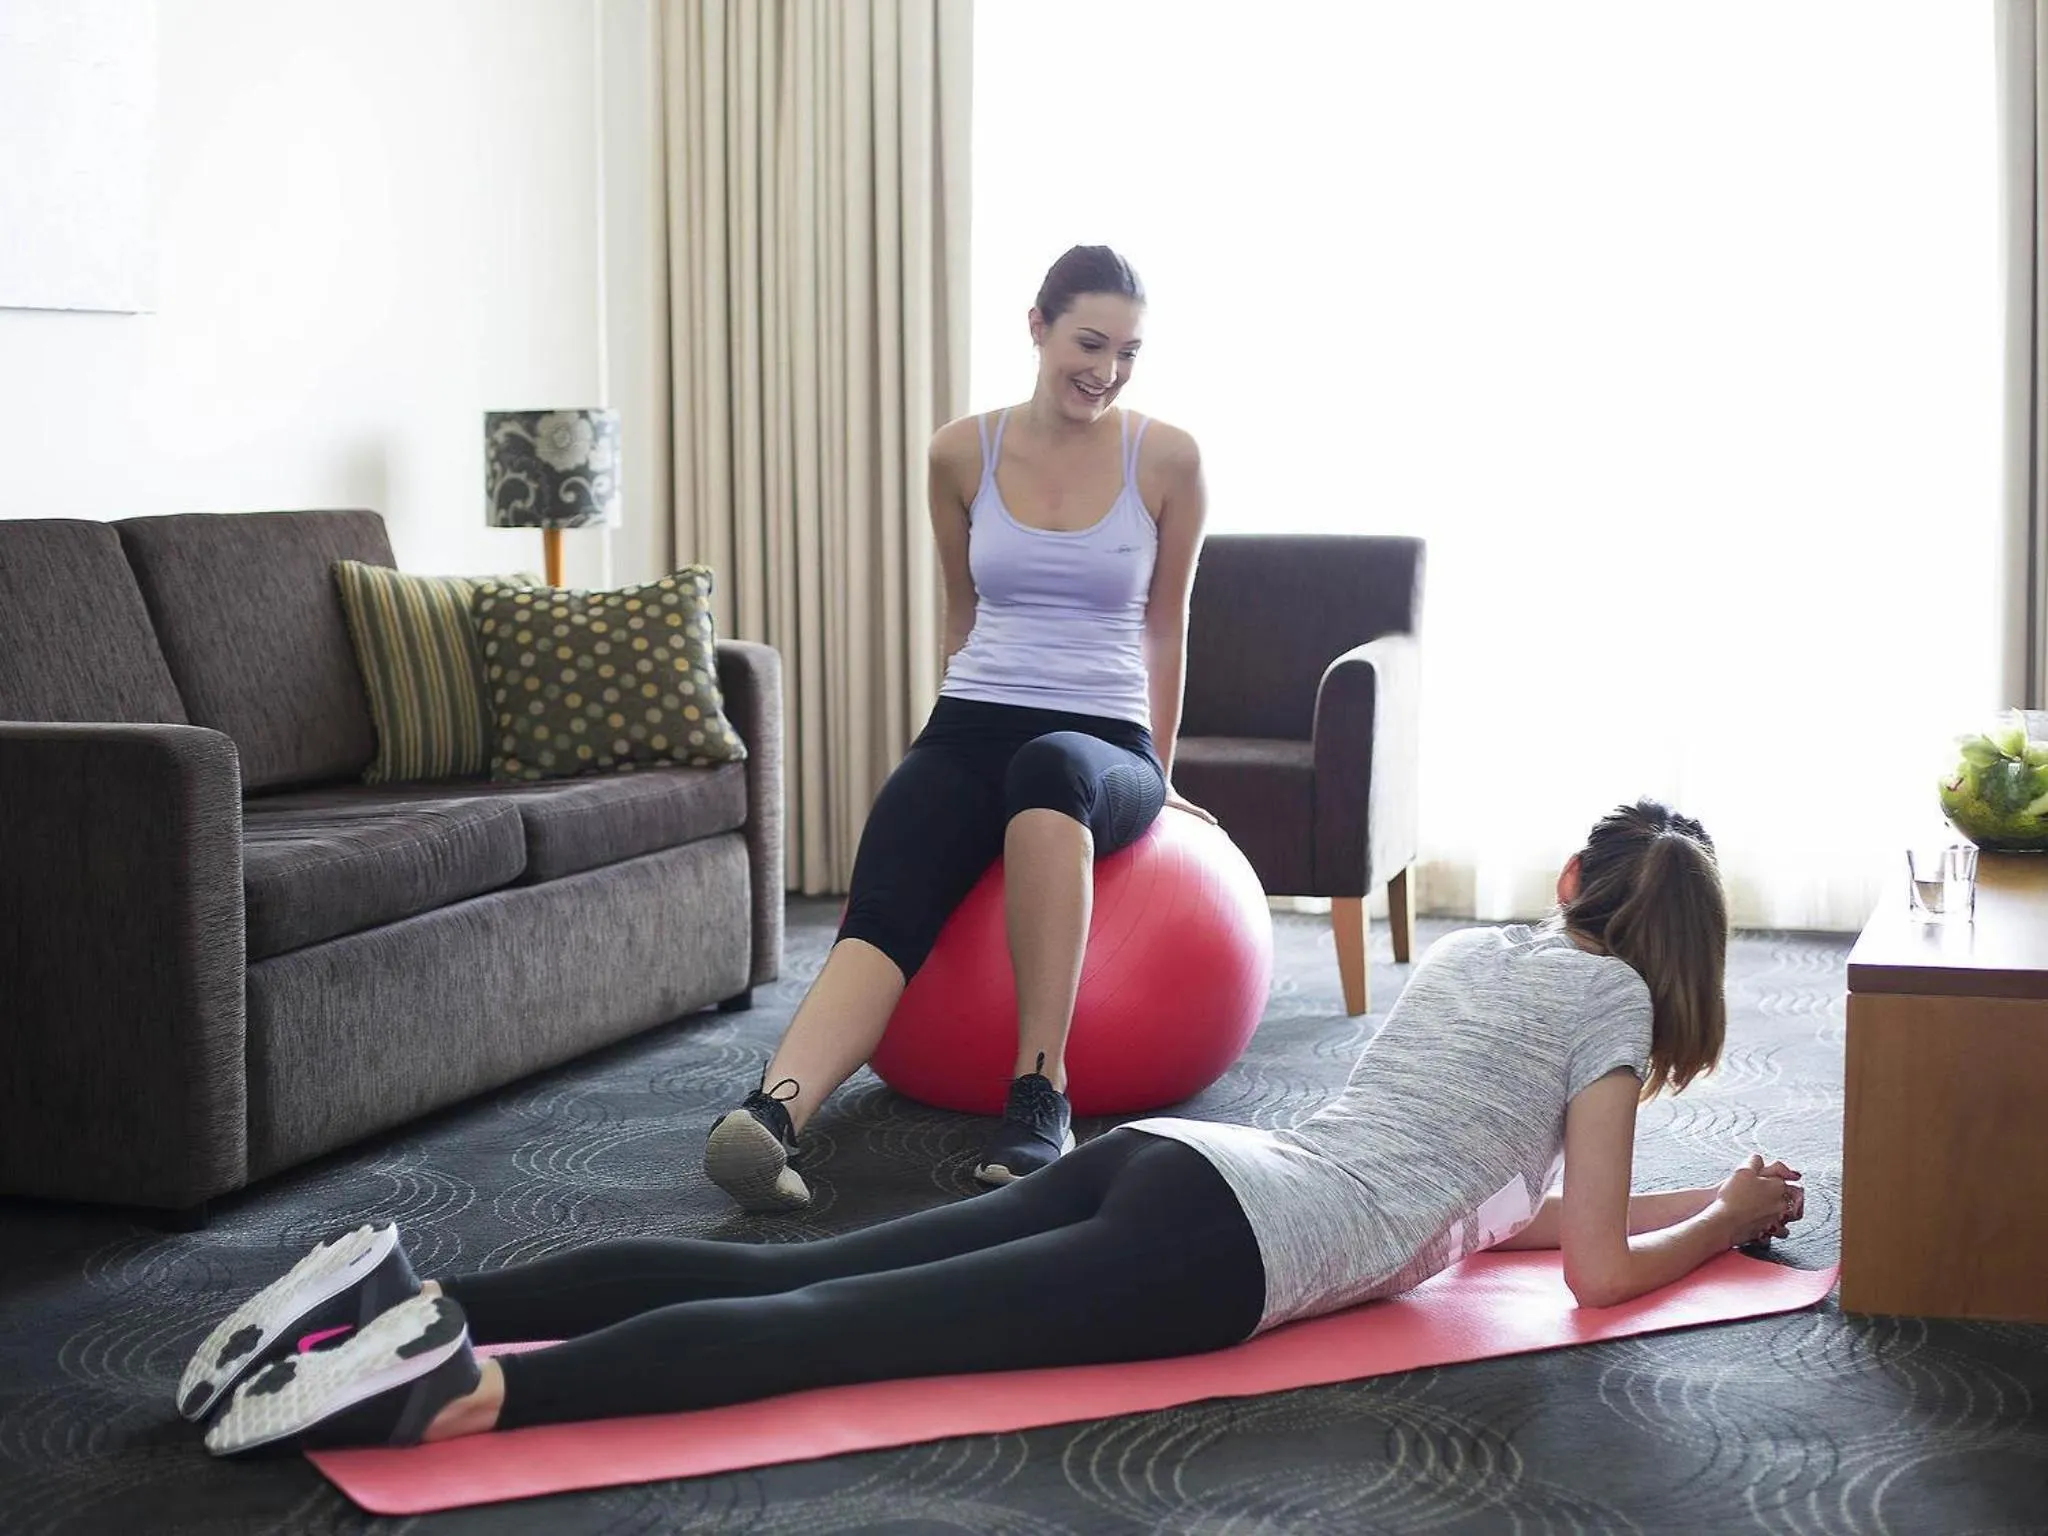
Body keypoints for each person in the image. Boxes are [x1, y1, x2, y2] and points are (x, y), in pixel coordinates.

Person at [185, 801, 1809, 1459]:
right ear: (1682, 953)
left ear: (1579, 891)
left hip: (1173, 1157)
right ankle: (455, 1397)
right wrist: (1717, 1227)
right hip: (1224, 1252)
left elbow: (1503, 1215)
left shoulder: (1482, 955)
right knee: (821, 1328)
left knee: (799, 1278)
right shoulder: (1607, 1019)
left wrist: (1698, 1193)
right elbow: (1591, 1270)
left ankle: (414, 1294)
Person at [702, 244, 1214, 1211]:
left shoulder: (1169, 459)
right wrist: (938, 758)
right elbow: (961, 608)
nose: (1104, 370)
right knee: (896, 880)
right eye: (1088, 341)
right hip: (975, 717)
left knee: (1050, 768)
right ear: (1038, 326)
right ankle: (772, 1115)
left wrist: (1168, 771)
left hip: (1102, 740)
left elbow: (1166, 623)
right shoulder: (957, 453)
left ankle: (1040, 1092)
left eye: (1127, 353)